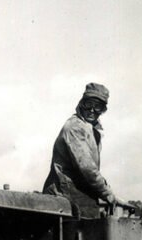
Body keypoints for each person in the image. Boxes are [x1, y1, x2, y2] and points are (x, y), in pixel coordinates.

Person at [43, 83, 125, 218]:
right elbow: (87, 168)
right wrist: (108, 194)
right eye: (89, 104)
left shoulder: (90, 129)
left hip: (79, 192)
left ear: (103, 110)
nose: (92, 110)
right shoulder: (75, 127)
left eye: (98, 107)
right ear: (81, 103)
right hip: (64, 194)